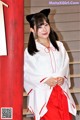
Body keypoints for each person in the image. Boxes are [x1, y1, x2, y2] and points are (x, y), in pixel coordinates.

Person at [24, 8, 76, 120]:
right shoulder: (30, 51)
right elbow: (27, 73)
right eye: (40, 26)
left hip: (61, 91)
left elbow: (65, 64)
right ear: (32, 29)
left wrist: (62, 77)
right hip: (44, 93)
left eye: (46, 25)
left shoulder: (59, 46)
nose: (44, 29)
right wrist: (45, 80)